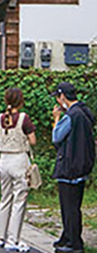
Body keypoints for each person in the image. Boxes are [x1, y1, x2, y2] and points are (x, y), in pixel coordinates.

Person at [51, 82, 95, 253]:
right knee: (74, 206)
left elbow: (56, 137)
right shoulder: (85, 112)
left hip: (69, 167)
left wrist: (56, 118)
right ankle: (68, 237)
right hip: (82, 166)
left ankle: (74, 243)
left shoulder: (71, 116)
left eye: (57, 96)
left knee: (68, 208)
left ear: (62, 97)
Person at [0, 88, 37, 253]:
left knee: (5, 198)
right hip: (19, 160)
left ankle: (0, 237)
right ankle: (13, 240)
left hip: (3, 160)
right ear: (21, 101)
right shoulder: (24, 118)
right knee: (19, 200)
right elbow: (32, 140)